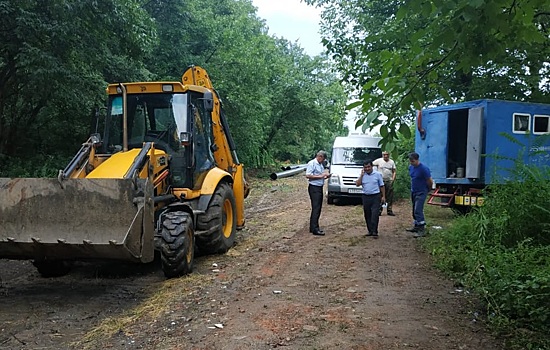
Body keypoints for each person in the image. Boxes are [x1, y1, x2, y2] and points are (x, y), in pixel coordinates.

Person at [355, 160, 385, 238]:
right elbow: (357, 184)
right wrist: (361, 175)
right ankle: (370, 230)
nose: (367, 169)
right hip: (366, 196)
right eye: (365, 167)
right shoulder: (363, 175)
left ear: (372, 166)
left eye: (368, 167)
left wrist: (383, 196)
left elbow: (382, 186)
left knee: (375, 214)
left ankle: (375, 231)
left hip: (375, 196)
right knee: (367, 213)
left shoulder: (377, 174)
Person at [406, 152, 433, 237]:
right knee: (414, 210)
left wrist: (428, 189)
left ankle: (422, 229)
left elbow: (429, 180)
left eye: (413, 161)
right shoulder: (411, 167)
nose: (411, 162)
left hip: (421, 191)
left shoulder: (424, 169)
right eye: (410, 161)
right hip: (414, 191)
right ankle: (416, 225)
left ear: (417, 160)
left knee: (418, 209)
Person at [306, 150, 330, 236]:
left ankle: (313, 227)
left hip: (319, 187)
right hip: (314, 188)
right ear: (319, 157)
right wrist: (320, 176)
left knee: (318, 207)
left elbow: (319, 176)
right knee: (316, 208)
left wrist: (325, 177)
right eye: (323, 159)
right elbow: (308, 175)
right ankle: (315, 228)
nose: (323, 161)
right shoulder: (312, 163)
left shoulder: (320, 165)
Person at [373, 151, 396, 216]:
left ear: (389, 155)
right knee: (380, 196)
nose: (385, 156)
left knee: (390, 196)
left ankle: (389, 210)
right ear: (382, 155)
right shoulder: (378, 161)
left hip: (389, 181)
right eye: (384, 155)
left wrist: (393, 179)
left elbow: (394, 171)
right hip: (380, 181)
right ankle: (379, 210)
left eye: (387, 155)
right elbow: (371, 165)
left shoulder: (391, 162)